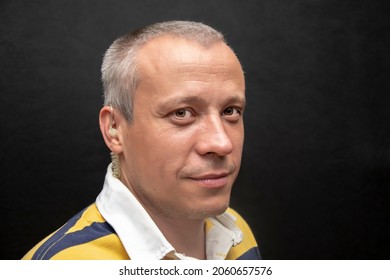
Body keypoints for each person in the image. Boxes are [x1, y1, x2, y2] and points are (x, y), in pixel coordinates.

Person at [22, 20, 261, 260]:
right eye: (182, 113)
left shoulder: (237, 234)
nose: (222, 144)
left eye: (230, 111)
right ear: (114, 129)